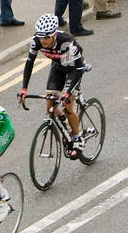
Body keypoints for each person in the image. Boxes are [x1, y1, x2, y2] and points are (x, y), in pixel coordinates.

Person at [18, 14, 87, 148]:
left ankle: (78, 137)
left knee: (67, 107)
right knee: (50, 106)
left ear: (54, 34)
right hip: (58, 66)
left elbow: (78, 68)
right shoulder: (36, 41)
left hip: (74, 69)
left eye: (47, 37)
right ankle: (64, 123)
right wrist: (24, 89)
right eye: (40, 36)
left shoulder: (67, 41)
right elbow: (29, 62)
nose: (43, 40)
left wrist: (67, 93)